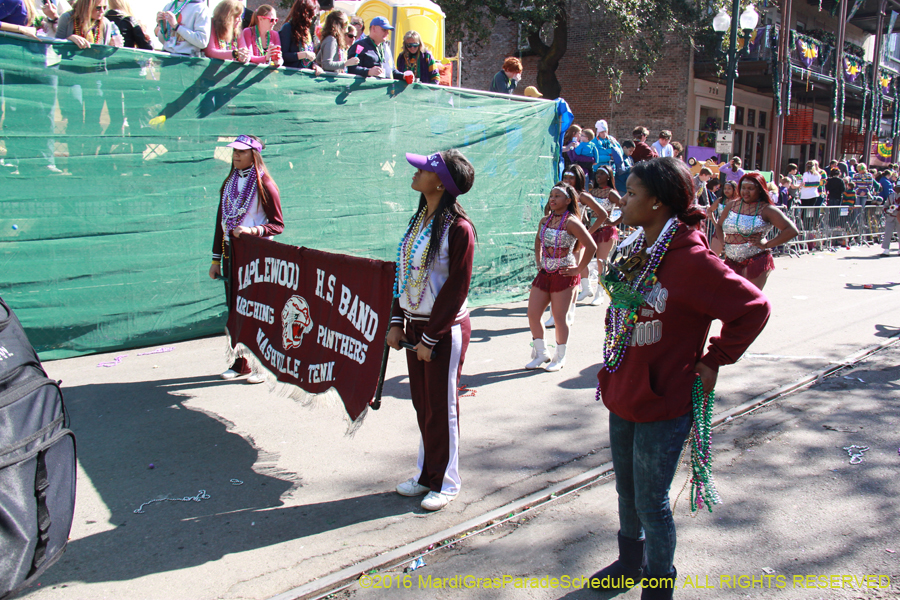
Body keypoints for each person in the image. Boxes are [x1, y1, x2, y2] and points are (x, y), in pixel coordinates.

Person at [589, 157, 771, 600]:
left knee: (652, 501)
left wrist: (714, 360)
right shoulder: (637, 247)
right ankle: (629, 562)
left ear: (656, 203)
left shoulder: (694, 261)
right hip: (624, 389)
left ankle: (657, 582)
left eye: (631, 193)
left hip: (664, 399)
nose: (623, 199)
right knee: (627, 490)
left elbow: (754, 308)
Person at [387, 149, 477, 512]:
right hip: (415, 326)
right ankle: (427, 474)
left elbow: (456, 288)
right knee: (423, 404)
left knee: (443, 408)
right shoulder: (419, 219)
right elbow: (402, 273)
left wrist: (429, 337)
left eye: (424, 170)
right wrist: (396, 321)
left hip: (443, 331)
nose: (415, 173)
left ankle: (448, 481)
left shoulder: (459, 228)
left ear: (440, 182)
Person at [210, 135, 284, 383]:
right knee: (235, 309)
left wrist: (253, 231)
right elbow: (221, 224)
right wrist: (215, 260)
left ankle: (263, 366)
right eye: (234, 152)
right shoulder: (229, 183)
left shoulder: (265, 184)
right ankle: (241, 364)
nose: (236, 156)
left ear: (255, 154)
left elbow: (277, 225)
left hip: (256, 257)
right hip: (233, 255)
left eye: (242, 152)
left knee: (257, 310)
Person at [526, 182, 597, 372]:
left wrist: (577, 269)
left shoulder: (572, 222)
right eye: (551, 195)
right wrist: (539, 261)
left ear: (568, 200)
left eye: (557, 196)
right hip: (545, 273)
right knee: (533, 313)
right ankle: (541, 353)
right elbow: (538, 240)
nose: (552, 199)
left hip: (564, 275)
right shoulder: (545, 220)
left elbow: (591, 247)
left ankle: (560, 357)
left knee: (559, 318)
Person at [716, 172, 799, 290]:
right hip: (731, 261)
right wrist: (723, 242)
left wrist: (767, 244)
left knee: (749, 300)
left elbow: (792, 230)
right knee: (730, 300)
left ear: (760, 190)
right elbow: (719, 226)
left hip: (755, 261)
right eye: (743, 188)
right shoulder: (732, 205)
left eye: (751, 188)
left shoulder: (767, 209)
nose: (745, 192)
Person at [562, 166, 608, 304]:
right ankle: (585, 288)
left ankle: (568, 300)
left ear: (579, 179)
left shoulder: (583, 196)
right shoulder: (559, 193)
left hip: (575, 237)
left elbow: (603, 214)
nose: (568, 181)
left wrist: (588, 233)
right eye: (565, 177)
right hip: (560, 236)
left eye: (571, 178)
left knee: (573, 266)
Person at [588, 166, 622, 305]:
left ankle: (600, 293)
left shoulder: (611, 193)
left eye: (602, 173)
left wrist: (615, 221)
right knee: (581, 257)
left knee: (601, 262)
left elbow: (625, 206)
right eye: (597, 173)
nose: (598, 176)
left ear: (608, 176)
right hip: (590, 229)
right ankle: (586, 287)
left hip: (605, 231)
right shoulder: (591, 191)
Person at [347, 15, 407, 80]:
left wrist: (403, 76)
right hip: (368, 88)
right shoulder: (359, 46)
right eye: (384, 30)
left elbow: (392, 71)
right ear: (373, 29)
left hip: (385, 88)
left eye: (388, 30)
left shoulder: (386, 47)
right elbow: (351, 69)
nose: (387, 33)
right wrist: (368, 72)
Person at [57, 0, 123, 48]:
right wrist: (69, 39)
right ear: (87, 7)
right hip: (71, 65)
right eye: (98, 8)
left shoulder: (105, 23)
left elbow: (104, 55)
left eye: (104, 7)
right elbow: (56, 47)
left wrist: (111, 47)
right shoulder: (67, 18)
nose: (102, 11)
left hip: (95, 65)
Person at [279, 0, 320, 71]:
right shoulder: (288, 28)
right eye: (311, 16)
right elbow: (283, 55)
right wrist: (304, 54)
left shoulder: (307, 31)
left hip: (305, 77)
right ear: (305, 14)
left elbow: (309, 57)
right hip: (290, 76)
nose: (312, 19)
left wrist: (314, 65)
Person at [316, 9, 359, 73]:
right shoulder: (331, 39)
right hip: (328, 80)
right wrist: (346, 63)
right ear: (337, 24)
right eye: (346, 23)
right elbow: (326, 64)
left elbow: (319, 59)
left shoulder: (333, 39)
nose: (347, 25)